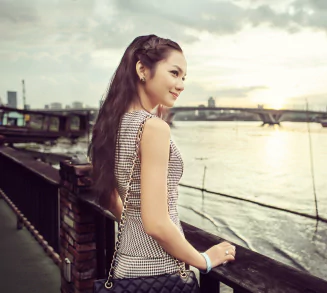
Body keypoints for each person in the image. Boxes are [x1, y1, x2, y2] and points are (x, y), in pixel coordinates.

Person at [90, 35, 236, 280]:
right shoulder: (153, 128)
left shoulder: (113, 124)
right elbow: (156, 223)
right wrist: (205, 260)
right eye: (174, 73)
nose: (181, 84)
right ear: (142, 69)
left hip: (127, 267)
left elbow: (110, 197)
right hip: (159, 269)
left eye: (183, 77)